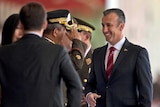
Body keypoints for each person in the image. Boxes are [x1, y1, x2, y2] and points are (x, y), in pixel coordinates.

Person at [0, 2, 82, 107]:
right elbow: (75, 85)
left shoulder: (4, 52)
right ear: (44, 24)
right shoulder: (57, 52)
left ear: (21, 24)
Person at [84, 8, 153, 107]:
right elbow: (90, 84)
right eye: (103, 25)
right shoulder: (97, 53)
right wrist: (88, 95)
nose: (104, 30)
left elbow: (146, 96)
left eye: (109, 25)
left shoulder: (137, 53)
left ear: (121, 26)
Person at [74, 17, 95, 107]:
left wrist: (88, 96)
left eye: (76, 35)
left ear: (87, 36)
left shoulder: (97, 57)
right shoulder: (70, 55)